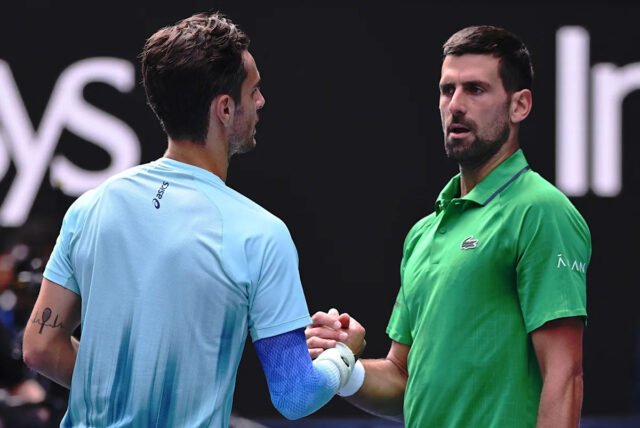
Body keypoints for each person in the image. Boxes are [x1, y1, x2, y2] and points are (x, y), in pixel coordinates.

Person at [22, 11, 359, 427]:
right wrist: (345, 354)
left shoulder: (90, 207)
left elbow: (40, 347)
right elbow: (296, 392)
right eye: (254, 90)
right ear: (224, 109)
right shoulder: (260, 234)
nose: (261, 101)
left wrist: (123, 394)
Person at [306, 25, 591, 427]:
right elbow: (404, 378)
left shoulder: (541, 211)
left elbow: (564, 378)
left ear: (519, 105)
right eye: (447, 90)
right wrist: (342, 363)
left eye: (475, 89)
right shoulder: (422, 234)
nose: (455, 105)